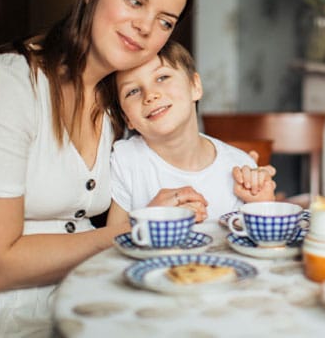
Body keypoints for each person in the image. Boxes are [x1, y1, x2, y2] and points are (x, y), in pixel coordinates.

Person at [0, 0, 201, 337]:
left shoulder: (118, 101)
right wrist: (125, 234)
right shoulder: (10, 82)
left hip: (87, 302)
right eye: (134, 0)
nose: (145, 27)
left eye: (166, 21)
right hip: (6, 317)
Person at [105, 41, 276, 225]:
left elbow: (260, 245)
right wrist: (151, 218)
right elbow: (110, 244)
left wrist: (263, 206)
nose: (150, 95)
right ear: (126, 118)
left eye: (162, 78)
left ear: (195, 86)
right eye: (133, 91)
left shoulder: (241, 167)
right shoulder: (126, 161)